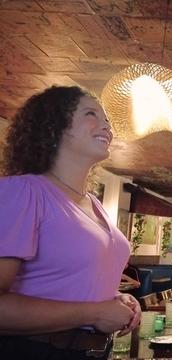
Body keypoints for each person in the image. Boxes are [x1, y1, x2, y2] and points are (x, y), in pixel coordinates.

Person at [0, 86, 141, 359]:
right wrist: (96, 312)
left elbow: (75, 282)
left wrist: (116, 299)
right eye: (91, 114)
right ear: (54, 127)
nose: (107, 127)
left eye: (108, 121)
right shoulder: (23, 192)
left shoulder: (95, 204)